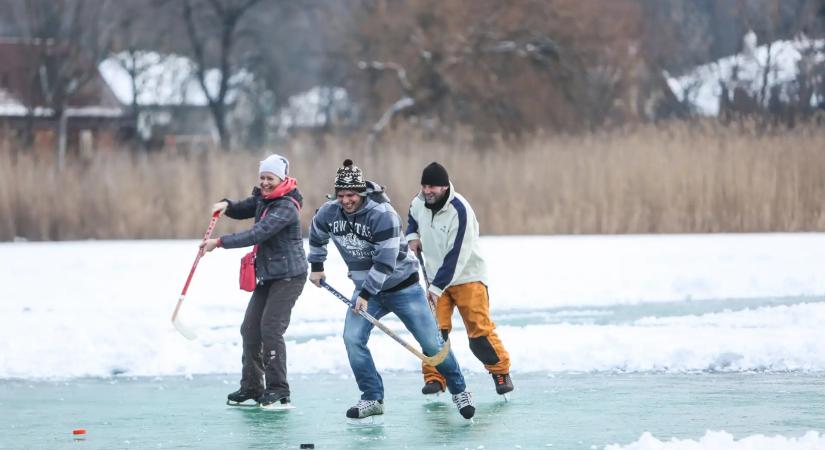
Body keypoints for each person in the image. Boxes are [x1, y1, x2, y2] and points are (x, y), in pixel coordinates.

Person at [307, 159, 475, 420]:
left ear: (361, 193)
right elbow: (317, 233)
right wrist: (317, 265)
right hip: (366, 290)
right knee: (352, 339)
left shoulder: (382, 215)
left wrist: (364, 295)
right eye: (341, 195)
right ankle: (372, 397)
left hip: (402, 287)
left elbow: (385, 263)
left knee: (431, 343)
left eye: (351, 195)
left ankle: (459, 390)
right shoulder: (330, 212)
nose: (346, 201)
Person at [201, 154, 307, 408]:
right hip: (269, 276)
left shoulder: (286, 207)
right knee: (250, 329)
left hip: (289, 276)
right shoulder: (264, 198)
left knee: (271, 329)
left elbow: (258, 232)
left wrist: (220, 243)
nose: (265, 183)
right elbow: (244, 208)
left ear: (281, 178)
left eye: (270, 178)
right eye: (262, 178)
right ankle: (251, 387)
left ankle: (278, 388)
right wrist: (227, 205)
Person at [406, 162, 514, 396]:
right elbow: (412, 216)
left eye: (432, 187)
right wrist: (412, 235)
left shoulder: (460, 210)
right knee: (434, 333)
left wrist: (435, 288)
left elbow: (457, 256)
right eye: (424, 186)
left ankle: (500, 371)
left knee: (479, 333)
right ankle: (435, 377)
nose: (427, 191)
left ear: (445, 187)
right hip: (436, 278)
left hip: (468, 277)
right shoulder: (419, 202)